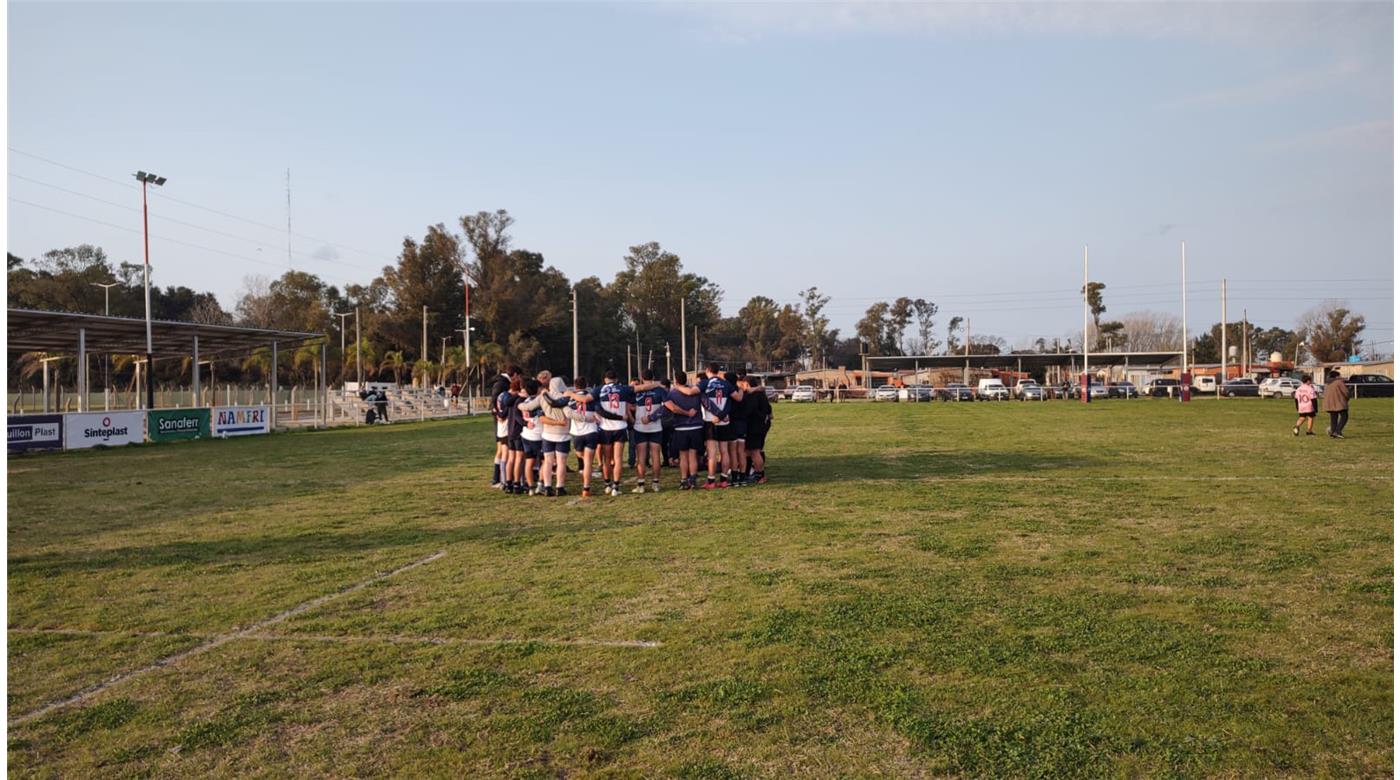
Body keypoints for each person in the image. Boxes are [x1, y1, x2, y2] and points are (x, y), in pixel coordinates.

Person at [699, 363, 742, 489]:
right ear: (718, 371)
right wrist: (740, 388)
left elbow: (700, 397)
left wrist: (716, 414)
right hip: (724, 421)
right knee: (724, 451)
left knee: (712, 452)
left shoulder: (705, 383)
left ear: (707, 370)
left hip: (710, 421)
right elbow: (738, 398)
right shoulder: (726, 384)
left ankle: (711, 481)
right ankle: (724, 480)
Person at [592, 370, 633, 496]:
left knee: (607, 459)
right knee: (618, 459)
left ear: (605, 380)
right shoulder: (623, 389)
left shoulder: (599, 389)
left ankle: (607, 484)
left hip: (606, 428)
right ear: (616, 379)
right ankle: (616, 486)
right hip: (620, 427)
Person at [665, 371, 703, 490]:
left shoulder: (673, 393)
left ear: (676, 380)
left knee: (683, 455)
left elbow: (673, 409)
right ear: (686, 380)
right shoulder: (695, 391)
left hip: (681, 427)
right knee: (693, 455)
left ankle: (683, 480)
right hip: (696, 426)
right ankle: (692, 479)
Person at [631, 370, 667, 493]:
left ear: (641, 378)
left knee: (641, 456)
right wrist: (653, 417)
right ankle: (655, 483)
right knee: (656, 455)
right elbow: (666, 406)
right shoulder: (660, 390)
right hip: (655, 427)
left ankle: (641, 485)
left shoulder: (637, 389)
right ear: (653, 377)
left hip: (640, 427)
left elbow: (629, 405)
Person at [565, 375, 600, 498]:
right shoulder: (591, 397)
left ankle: (585, 484)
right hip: (591, 432)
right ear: (587, 384)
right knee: (588, 462)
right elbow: (598, 411)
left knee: (582, 458)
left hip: (577, 433)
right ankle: (586, 488)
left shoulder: (570, 399)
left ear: (575, 386)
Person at [539, 377, 573, 496]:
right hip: (562, 433)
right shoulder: (565, 398)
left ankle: (547, 487)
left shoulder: (543, 397)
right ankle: (560, 487)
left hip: (547, 433)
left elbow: (534, 409)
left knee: (547, 461)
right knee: (561, 462)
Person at [489, 366, 521, 488]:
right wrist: (498, 414)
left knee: (502, 450)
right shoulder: (501, 384)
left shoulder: (502, 382)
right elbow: (494, 400)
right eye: (518, 376)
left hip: (501, 420)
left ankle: (500, 479)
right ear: (515, 375)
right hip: (502, 421)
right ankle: (498, 479)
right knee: (502, 450)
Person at [737, 375, 772, 483]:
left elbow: (748, 411)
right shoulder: (762, 394)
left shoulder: (751, 396)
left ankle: (760, 476)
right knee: (748, 451)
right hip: (761, 426)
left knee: (754, 452)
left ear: (747, 384)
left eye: (743, 385)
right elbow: (768, 409)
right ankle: (748, 474)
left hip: (753, 427)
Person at [517, 378, 545, 495]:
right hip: (538, 435)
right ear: (538, 389)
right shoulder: (540, 402)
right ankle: (540, 484)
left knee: (529, 461)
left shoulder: (526, 401)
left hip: (526, 435)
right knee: (544, 461)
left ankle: (531, 487)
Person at [501, 377, 526, 493]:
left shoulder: (510, 400)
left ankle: (508, 483)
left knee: (511, 458)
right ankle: (517, 483)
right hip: (518, 431)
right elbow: (518, 416)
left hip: (510, 431)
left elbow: (504, 413)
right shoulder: (520, 400)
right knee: (519, 458)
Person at [1323, 370, 1350, 438]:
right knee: (1344, 416)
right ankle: (1337, 431)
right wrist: (1347, 398)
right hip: (1338, 402)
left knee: (1333, 418)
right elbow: (1346, 392)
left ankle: (1333, 432)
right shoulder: (1339, 382)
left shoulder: (1327, 383)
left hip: (1329, 403)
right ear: (1337, 376)